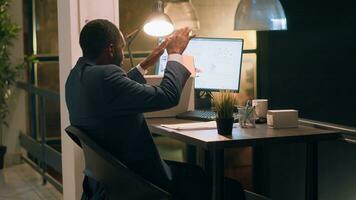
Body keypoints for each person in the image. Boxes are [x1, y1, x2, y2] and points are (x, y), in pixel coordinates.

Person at [66, 19, 245, 200]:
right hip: (142, 181)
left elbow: (115, 92)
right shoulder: (106, 76)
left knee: (196, 172)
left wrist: (145, 64)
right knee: (230, 189)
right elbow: (168, 96)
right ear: (110, 49)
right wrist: (174, 54)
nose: (123, 54)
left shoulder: (76, 77)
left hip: (109, 182)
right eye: (122, 48)